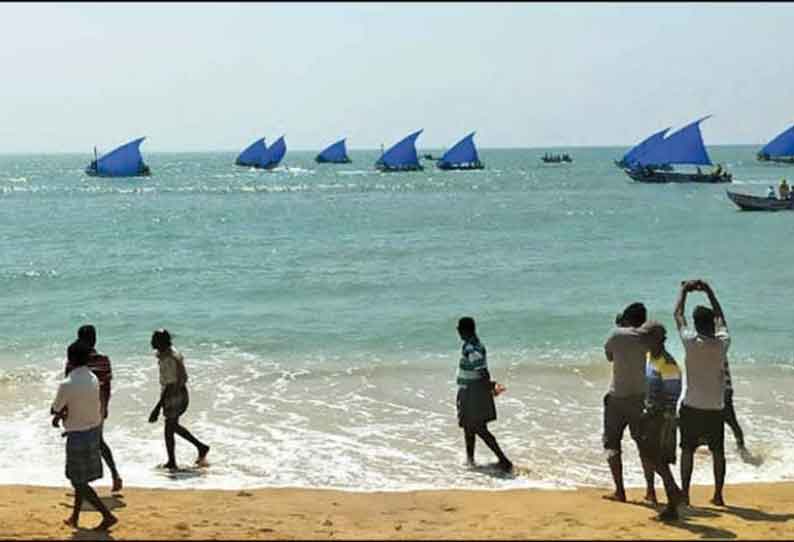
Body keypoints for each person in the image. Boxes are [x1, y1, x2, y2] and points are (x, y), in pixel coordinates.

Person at [674, 279, 731, 506]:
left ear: (696, 325)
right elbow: (721, 317)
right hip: (715, 407)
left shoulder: (690, 341)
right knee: (718, 451)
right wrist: (709, 290)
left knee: (687, 450)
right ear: (712, 325)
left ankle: (685, 493)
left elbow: (678, 315)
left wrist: (683, 291)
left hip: (691, 405)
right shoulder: (722, 343)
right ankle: (718, 495)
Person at [51, 341, 118, 531]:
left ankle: (107, 516)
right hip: (93, 431)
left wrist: (59, 416)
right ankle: (74, 517)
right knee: (81, 480)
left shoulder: (67, 383)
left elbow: (55, 408)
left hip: (77, 435)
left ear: (70, 359)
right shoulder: (93, 379)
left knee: (77, 480)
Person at [54, 326, 123, 492]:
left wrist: (62, 414)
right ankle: (113, 475)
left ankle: (82, 484)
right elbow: (107, 387)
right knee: (98, 442)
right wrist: (105, 407)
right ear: (95, 339)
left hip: (78, 412)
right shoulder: (104, 360)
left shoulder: (72, 362)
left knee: (85, 444)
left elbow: (69, 390)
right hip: (98, 408)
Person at [603, 302, 656, 503]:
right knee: (643, 444)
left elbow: (609, 356)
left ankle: (620, 491)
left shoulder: (617, 335)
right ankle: (651, 491)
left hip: (618, 396)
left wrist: (619, 327)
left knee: (612, 443)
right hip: (641, 397)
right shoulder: (646, 338)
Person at [637, 321, 683, 520]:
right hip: (651, 416)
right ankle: (674, 494)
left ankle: (674, 497)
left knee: (659, 459)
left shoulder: (668, 363)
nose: (643, 341)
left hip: (663, 419)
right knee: (652, 457)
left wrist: (655, 413)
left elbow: (673, 395)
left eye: (646, 337)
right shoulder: (650, 359)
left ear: (657, 339)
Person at [455, 317, 512, 473]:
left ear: (464, 330)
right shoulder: (475, 344)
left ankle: (504, 461)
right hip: (470, 390)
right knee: (469, 428)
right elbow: (481, 369)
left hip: (472, 392)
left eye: (459, 328)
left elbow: (481, 369)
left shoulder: (470, 347)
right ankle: (470, 461)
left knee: (478, 428)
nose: (457, 330)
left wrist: (489, 386)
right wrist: (489, 385)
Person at [148, 329, 210, 470]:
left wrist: (157, 408)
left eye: (154, 339)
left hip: (174, 395)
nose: (151, 342)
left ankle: (173, 461)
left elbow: (170, 384)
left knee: (169, 428)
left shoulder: (168, 359)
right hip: (180, 392)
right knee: (172, 426)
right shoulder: (171, 352)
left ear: (161, 342)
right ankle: (200, 447)